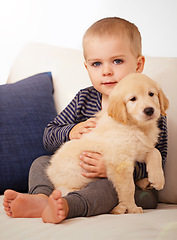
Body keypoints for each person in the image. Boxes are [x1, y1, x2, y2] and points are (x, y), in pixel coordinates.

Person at [3, 17, 167, 224]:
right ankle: (40, 199)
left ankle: (69, 206)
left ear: (138, 64)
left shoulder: (149, 107)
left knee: (109, 188)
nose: (106, 71)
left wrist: (110, 168)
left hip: (118, 181)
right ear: (87, 67)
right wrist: (70, 131)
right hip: (76, 172)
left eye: (117, 61)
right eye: (97, 63)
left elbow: (159, 160)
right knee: (40, 162)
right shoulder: (85, 98)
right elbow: (49, 136)